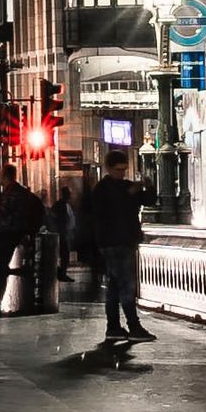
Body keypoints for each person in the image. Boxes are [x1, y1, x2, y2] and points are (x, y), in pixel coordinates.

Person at [81, 145, 150, 346]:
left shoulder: (125, 186)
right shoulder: (102, 189)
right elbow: (109, 210)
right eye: (118, 169)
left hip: (123, 241)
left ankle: (113, 327)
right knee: (126, 285)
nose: (121, 173)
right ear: (109, 168)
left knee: (114, 286)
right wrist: (131, 193)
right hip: (114, 242)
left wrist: (148, 186)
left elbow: (148, 199)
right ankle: (134, 326)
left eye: (124, 169)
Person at [0, 169, 44, 315]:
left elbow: (2, 212)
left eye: (0, 175)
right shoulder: (18, 191)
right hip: (15, 231)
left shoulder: (12, 192)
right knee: (0, 265)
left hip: (9, 232)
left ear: (6, 176)